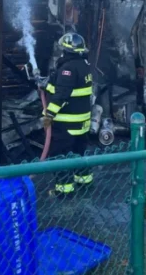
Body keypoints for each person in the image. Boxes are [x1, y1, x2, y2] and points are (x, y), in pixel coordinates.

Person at [43, 32, 94, 196]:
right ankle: (84, 182)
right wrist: (48, 84)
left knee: (59, 156)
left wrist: (49, 115)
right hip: (82, 123)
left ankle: (64, 191)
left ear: (66, 50)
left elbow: (61, 95)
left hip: (66, 124)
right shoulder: (84, 65)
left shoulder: (68, 69)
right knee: (79, 154)